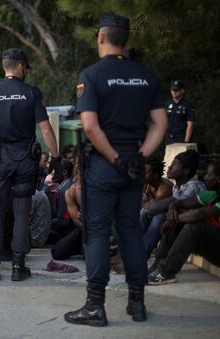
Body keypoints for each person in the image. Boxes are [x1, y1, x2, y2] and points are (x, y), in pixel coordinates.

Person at [64, 13, 167, 326]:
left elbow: (91, 127)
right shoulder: (147, 77)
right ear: (126, 40)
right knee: (130, 232)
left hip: (103, 165)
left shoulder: (92, 76)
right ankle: (137, 303)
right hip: (133, 166)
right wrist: (139, 156)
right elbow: (160, 124)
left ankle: (95, 306)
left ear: (100, 38)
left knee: (96, 233)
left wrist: (114, 158)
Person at [0, 48, 61, 282]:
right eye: (26, 67)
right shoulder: (31, 93)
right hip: (25, 158)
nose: (27, 71)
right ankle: (18, 267)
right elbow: (45, 128)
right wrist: (55, 157)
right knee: (21, 212)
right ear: (20, 66)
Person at [148, 161, 220, 285]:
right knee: (180, 214)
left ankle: (166, 273)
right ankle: (158, 264)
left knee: (194, 226)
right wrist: (173, 208)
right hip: (213, 246)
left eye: (209, 175)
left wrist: (173, 219)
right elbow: (180, 203)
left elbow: (199, 215)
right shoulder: (211, 195)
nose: (205, 177)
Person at [141, 150, 205, 272]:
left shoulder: (193, 186)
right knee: (159, 215)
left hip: (194, 231)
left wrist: (147, 208)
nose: (169, 167)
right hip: (180, 226)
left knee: (159, 216)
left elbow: (152, 208)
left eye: (174, 164)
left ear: (185, 171)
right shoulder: (177, 187)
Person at [164, 80, 195, 145]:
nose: (174, 92)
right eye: (173, 90)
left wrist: (187, 140)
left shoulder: (187, 105)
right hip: (168, 138)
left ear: (182, 91)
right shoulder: (166, 104)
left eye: (177, 90)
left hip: (181, 138)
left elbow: (190, 124)